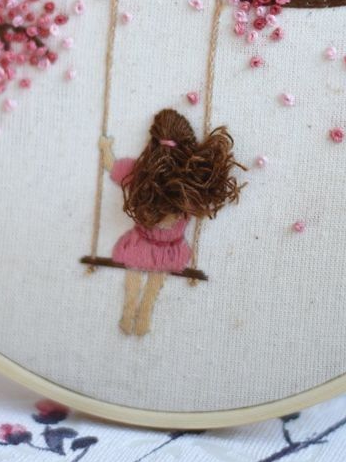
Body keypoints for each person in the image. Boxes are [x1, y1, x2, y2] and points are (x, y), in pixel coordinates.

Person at [99, 109, 244, 336]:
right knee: (154, 284)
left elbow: (112, 165)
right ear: (188, 143)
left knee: (134, 278)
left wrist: (105, 147)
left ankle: (129, 315)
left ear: (153, 142)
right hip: (170, 247)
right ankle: (143, 316)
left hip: (142, 241)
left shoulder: (141, 171)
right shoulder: (193, 176)